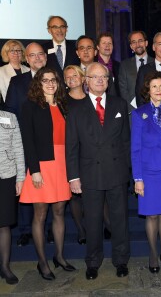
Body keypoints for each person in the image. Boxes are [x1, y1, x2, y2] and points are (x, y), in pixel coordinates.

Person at [65, 62, 130, 280]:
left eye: (104, 77)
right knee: (92, 221)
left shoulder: (119, 104)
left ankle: (121, 261)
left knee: (119, 219)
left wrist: (128, 171)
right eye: (95, 77)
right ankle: (93, 262)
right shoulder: (76, 109)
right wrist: (73, 176)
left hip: (116, 171)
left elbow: (126, 141)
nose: (100, 80)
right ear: (86, 81)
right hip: (89, 173)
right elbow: (71, 145)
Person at [20, 67, 75, 280]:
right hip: (42, 165)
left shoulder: (64, 105)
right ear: (38, 83)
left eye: (53, 80)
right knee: (40, 214)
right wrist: (34, 171)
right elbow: (28, 141)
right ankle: (42, 262)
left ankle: (59, 257)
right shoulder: (30, 106)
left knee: (60, 211)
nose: (50, 83)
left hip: (63, 164)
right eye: (45, 80)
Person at [131, 71, 161, 273]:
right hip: (148, 172)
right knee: (151, 216)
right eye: (154, 87)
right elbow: (135, 148)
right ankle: (153, 254)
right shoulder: (138, 113)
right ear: (147, 91)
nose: (158, 90)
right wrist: (138, 178)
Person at [4, 42, 49, 247]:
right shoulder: (17, 82)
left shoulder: (53, 80)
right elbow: (10, 113)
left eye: (41, 54)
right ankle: (25, 230)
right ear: (26, 59)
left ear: (45, 58)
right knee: (25, 184)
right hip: (23, 142)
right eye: (33, 55)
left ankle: (44, 228)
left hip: (49, 145)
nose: (38, 58)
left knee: (46, 188)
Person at [0, 110, 25, 284]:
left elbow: (18, 147)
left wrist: (21, 177)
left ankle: (5, 267)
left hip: (6, 175)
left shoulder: (9, 117)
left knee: (4, 224)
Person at [63, 65, 86, 244]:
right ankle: (81, 230)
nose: (72, 79)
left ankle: (106, 225)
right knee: (75, 195)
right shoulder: (61, 102)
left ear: (83, 78)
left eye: (75, 75)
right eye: (68, 77)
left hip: (89, 152)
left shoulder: (91, 100)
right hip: (70, 150)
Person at [118, 30, 154, 114]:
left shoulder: (155, 63)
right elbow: (123, 90)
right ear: (131, 46)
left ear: (146, 43)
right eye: (134, 42)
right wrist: (135, 107)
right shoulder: (124, 65)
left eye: (140, 41)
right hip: (132, 112)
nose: (137, 45)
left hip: (153, 110)